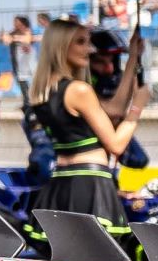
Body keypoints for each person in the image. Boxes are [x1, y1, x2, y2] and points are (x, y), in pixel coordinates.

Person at [22, 17, 141, 217]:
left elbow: (114, 108)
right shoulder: (79, 90)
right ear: (61, 45)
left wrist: (132, 59)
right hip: (90, 182)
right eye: (81, 42)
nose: (90, 49)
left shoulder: (41, 92)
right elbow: (116, 144)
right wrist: (137, 107)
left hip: (61, 182)